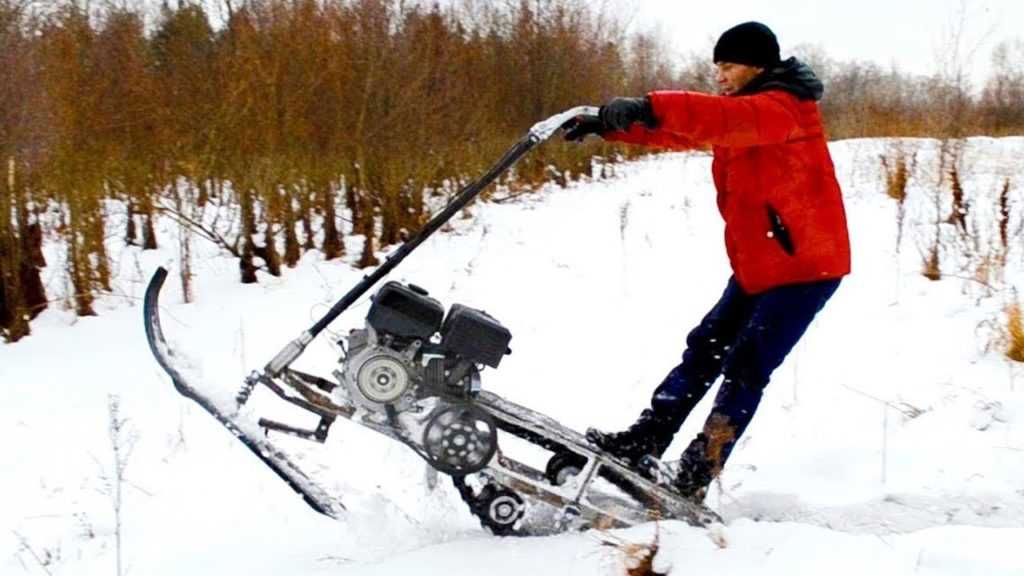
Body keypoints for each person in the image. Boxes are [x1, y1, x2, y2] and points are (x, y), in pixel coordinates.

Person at [562, 21, 851, 502]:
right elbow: (684, 132)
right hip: (763, 263)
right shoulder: (747, 111)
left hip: (805, 268)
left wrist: (648, 104)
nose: (719, 74)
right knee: (705, 348)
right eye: (716, 65)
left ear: (758, 65)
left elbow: (711, 118)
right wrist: (611, 125)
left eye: (729, 65)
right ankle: (648, 438)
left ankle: (698, 470)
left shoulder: (783, 109)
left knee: (747, 365)